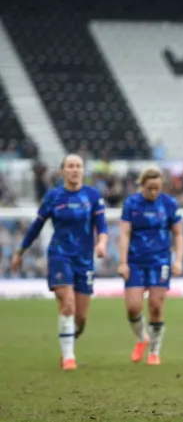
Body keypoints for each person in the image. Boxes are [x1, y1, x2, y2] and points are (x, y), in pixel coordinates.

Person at [11, 154, 107, 370]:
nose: (74, 170)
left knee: (81, 319)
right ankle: (68, 358)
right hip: (59, 256)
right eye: (70, 166)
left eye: (78, 166)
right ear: (63, 171)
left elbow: (102, 226)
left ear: (83, 170)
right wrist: (20, 251)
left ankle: (68, 345)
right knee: (67, 303)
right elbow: (36, 226)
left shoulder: (92, 195)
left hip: (84, 260)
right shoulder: (53, 197)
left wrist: (101, 243)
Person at [118, 167, 183, 366]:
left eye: (157, 188)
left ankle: (154, 351)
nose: (154, 192)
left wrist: (178, 259)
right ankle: (142, 339)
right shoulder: (131, 203)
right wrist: (122, 262)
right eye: (150, 188)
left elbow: (178, 234)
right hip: (135, 261)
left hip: (160, 261)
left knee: (156, 305)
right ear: (142, 186)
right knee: (133, 307)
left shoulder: (169, 204)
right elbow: (124, 233)